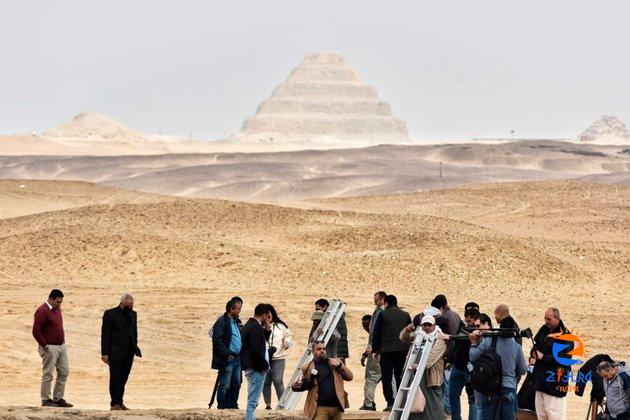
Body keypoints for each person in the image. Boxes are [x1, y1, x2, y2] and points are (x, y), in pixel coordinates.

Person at [469, 313, 527, 420]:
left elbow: (472, 357)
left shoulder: (488, 341)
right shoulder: (517, 347)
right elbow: (523, 370)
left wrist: (473, 343)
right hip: (508, 387)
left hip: (490, 387)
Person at [400, 315, 448, 420]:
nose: (427, 327)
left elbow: (432, 357)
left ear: (434, 325)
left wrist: (420, 365)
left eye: (429, 325)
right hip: (415, 373)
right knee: (413, 401)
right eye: (424, 325)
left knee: (433, 404)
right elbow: (403, 338)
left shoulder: (440, 338)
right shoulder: (418, 336)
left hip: (430, 375)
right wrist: (407, 330)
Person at [291, 340, 353, 420]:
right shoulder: (307, 367)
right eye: (319, 349)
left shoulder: (335, 363)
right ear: (313, 351)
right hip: (320, 409)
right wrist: (295, 386)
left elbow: (350, 377)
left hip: (337, 407)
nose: (322, 351)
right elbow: (304, 385)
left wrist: (340, 365)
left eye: (324, 349)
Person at [101, 293, 142, 411]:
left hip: (129, 352)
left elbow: (134, 332)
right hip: (115, 352)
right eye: (128, 304)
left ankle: (120, 401)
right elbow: (105, 335)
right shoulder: (110, 314)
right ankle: (114, 404)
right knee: (115, 378)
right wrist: (104, 353)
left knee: (124, 378)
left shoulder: (133, 314)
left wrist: (135, 345)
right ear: (122, 303)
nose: (130, 307)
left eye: (132, 305)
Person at [32, 289, 72, 408]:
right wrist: (45, 345)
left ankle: (58, 398)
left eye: (61, 302)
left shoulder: (57, 309)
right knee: (48, 373)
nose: (60, 304)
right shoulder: (42, 311)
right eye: (58, 302)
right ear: (51, 299)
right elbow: (36, 331)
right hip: (49, 347)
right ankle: (45, 399)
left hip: (61, 346)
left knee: (64, 371)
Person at [530, 307, 572, 420]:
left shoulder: (565, 336)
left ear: (557, 318)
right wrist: (532, 355)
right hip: (540, 382)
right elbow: (535, 345)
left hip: (554, 384)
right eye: (545, 318)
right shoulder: (544, 329)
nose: (546, 321)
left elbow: (563, 360)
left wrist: (543, 357)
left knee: (555, 416)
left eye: (549, 319)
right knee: (541, 416)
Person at [372, 294, 412, 411]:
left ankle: (390, 402)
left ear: (386, 303)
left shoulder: (383, 314)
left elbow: (377, 333)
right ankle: (401, 402)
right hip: (401, 351)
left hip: (386, 351)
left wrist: (375, 350)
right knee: (400, 377)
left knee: (387, 378)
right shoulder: (405, 315)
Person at [447, 307, 481, 420]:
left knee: (473, 400)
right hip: (458, 367)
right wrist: (451, 361)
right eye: (466, 321)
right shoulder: (462, 328)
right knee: (453, 397)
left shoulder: (482, 332)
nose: (467, 323)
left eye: (469, 321)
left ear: (476, 320)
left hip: (471, 371)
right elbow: (456, 344)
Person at [431, 294, 461, 416]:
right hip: (455, 354)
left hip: (448, 354)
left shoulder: (444, 317)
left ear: (441, 308)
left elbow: (445, 338)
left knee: (445, 383)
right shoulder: (455, 315)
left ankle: (447, 410)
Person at [241, 303, 272, 420]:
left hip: (252, 367)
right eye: (267, 316)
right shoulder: (255, 327)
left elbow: (259, 343)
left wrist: (267, 331)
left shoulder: (251, 325)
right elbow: (256, 350)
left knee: (252, 400)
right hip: (255, 368)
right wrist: (264, 365)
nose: (268, 319)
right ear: (264, 315)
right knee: (253, 401)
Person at [211, 298, 243, 409]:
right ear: (231, 309)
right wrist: (226, 354)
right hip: (228, 358)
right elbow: (217, 340)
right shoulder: (222, 322)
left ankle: (233, 405)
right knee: (225, 384)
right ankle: (222, 406)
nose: (240, 311)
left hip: (237, 358)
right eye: (238, 308)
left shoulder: (237, 322)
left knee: (236, 383)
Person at [263, 304, 293, 410]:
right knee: (266, 382)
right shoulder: (260, 326)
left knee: (278, 380)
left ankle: (282, 404)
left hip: (278, 358)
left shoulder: (281, 326)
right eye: (266, 313)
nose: (268, 315)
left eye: (269, 313)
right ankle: (268, 405)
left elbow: (288, 337)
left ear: (273, 313)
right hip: (265, 358)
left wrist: (286, 343)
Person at [360, 291, 386, 411]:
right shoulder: (390, 313)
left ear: (382, 299)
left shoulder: (379, 312)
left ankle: (369, 404)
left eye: (376, 300)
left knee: (371, 378)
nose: (375, 303)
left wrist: (370, 349)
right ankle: (393, 403)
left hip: (376, 351)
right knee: (390, 379)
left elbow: (374, 332)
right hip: (388, 351)